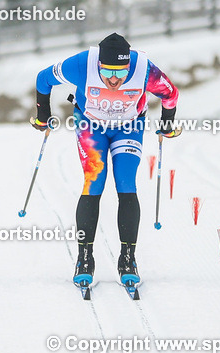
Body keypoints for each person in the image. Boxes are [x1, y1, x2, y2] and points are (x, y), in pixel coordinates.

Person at [31, 33, 180, 292]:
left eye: (121, 75)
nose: (113, 80)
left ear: (129, 67)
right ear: (98, 64)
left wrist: (167, 124)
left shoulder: (144, 69)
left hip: (129, 127)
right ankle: (84, 259)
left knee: (125, 183)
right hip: (91, 125)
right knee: (94, 182)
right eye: (107, 72)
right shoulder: (81, 64)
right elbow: (43, 79)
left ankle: (128, 259)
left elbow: (170, 94)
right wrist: (43, 114)